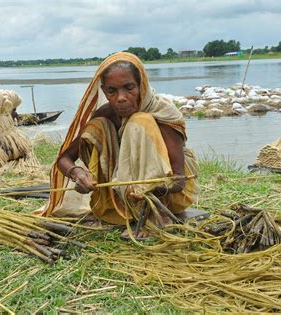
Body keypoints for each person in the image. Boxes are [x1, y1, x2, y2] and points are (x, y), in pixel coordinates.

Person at [40, 52, 199, 238]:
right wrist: (78, 174)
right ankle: (117, 208)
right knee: (97, 128)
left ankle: (156, 215)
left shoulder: (162, 113)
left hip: (169, 197)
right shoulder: (106, 114)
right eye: (112, 91)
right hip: (126, 197)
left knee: (139, 121)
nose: (121, 97)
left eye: (129, 88)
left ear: (142, 85)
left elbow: (179, 180)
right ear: (104, 91)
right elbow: (64, 159)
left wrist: (150, 189)